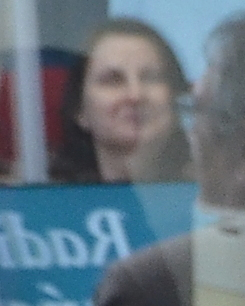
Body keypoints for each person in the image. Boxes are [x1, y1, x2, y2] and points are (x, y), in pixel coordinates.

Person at [65, 19, 193, 184]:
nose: (135, 95)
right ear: (79, 109)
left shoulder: (214, 194)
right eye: (113, 80)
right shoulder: (48, 200)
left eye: (151, 78)